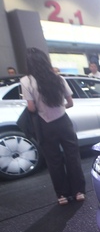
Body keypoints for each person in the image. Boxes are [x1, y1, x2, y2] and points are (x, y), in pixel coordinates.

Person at [20, 48, 86, 206]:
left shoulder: (26, 81)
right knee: (72, 156)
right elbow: (70, 103)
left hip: (45, 125)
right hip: (63, 122)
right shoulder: (59, 79)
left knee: (54, 160)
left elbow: (31, 108)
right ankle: (78, 192)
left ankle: (62, 195)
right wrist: (59, 107)